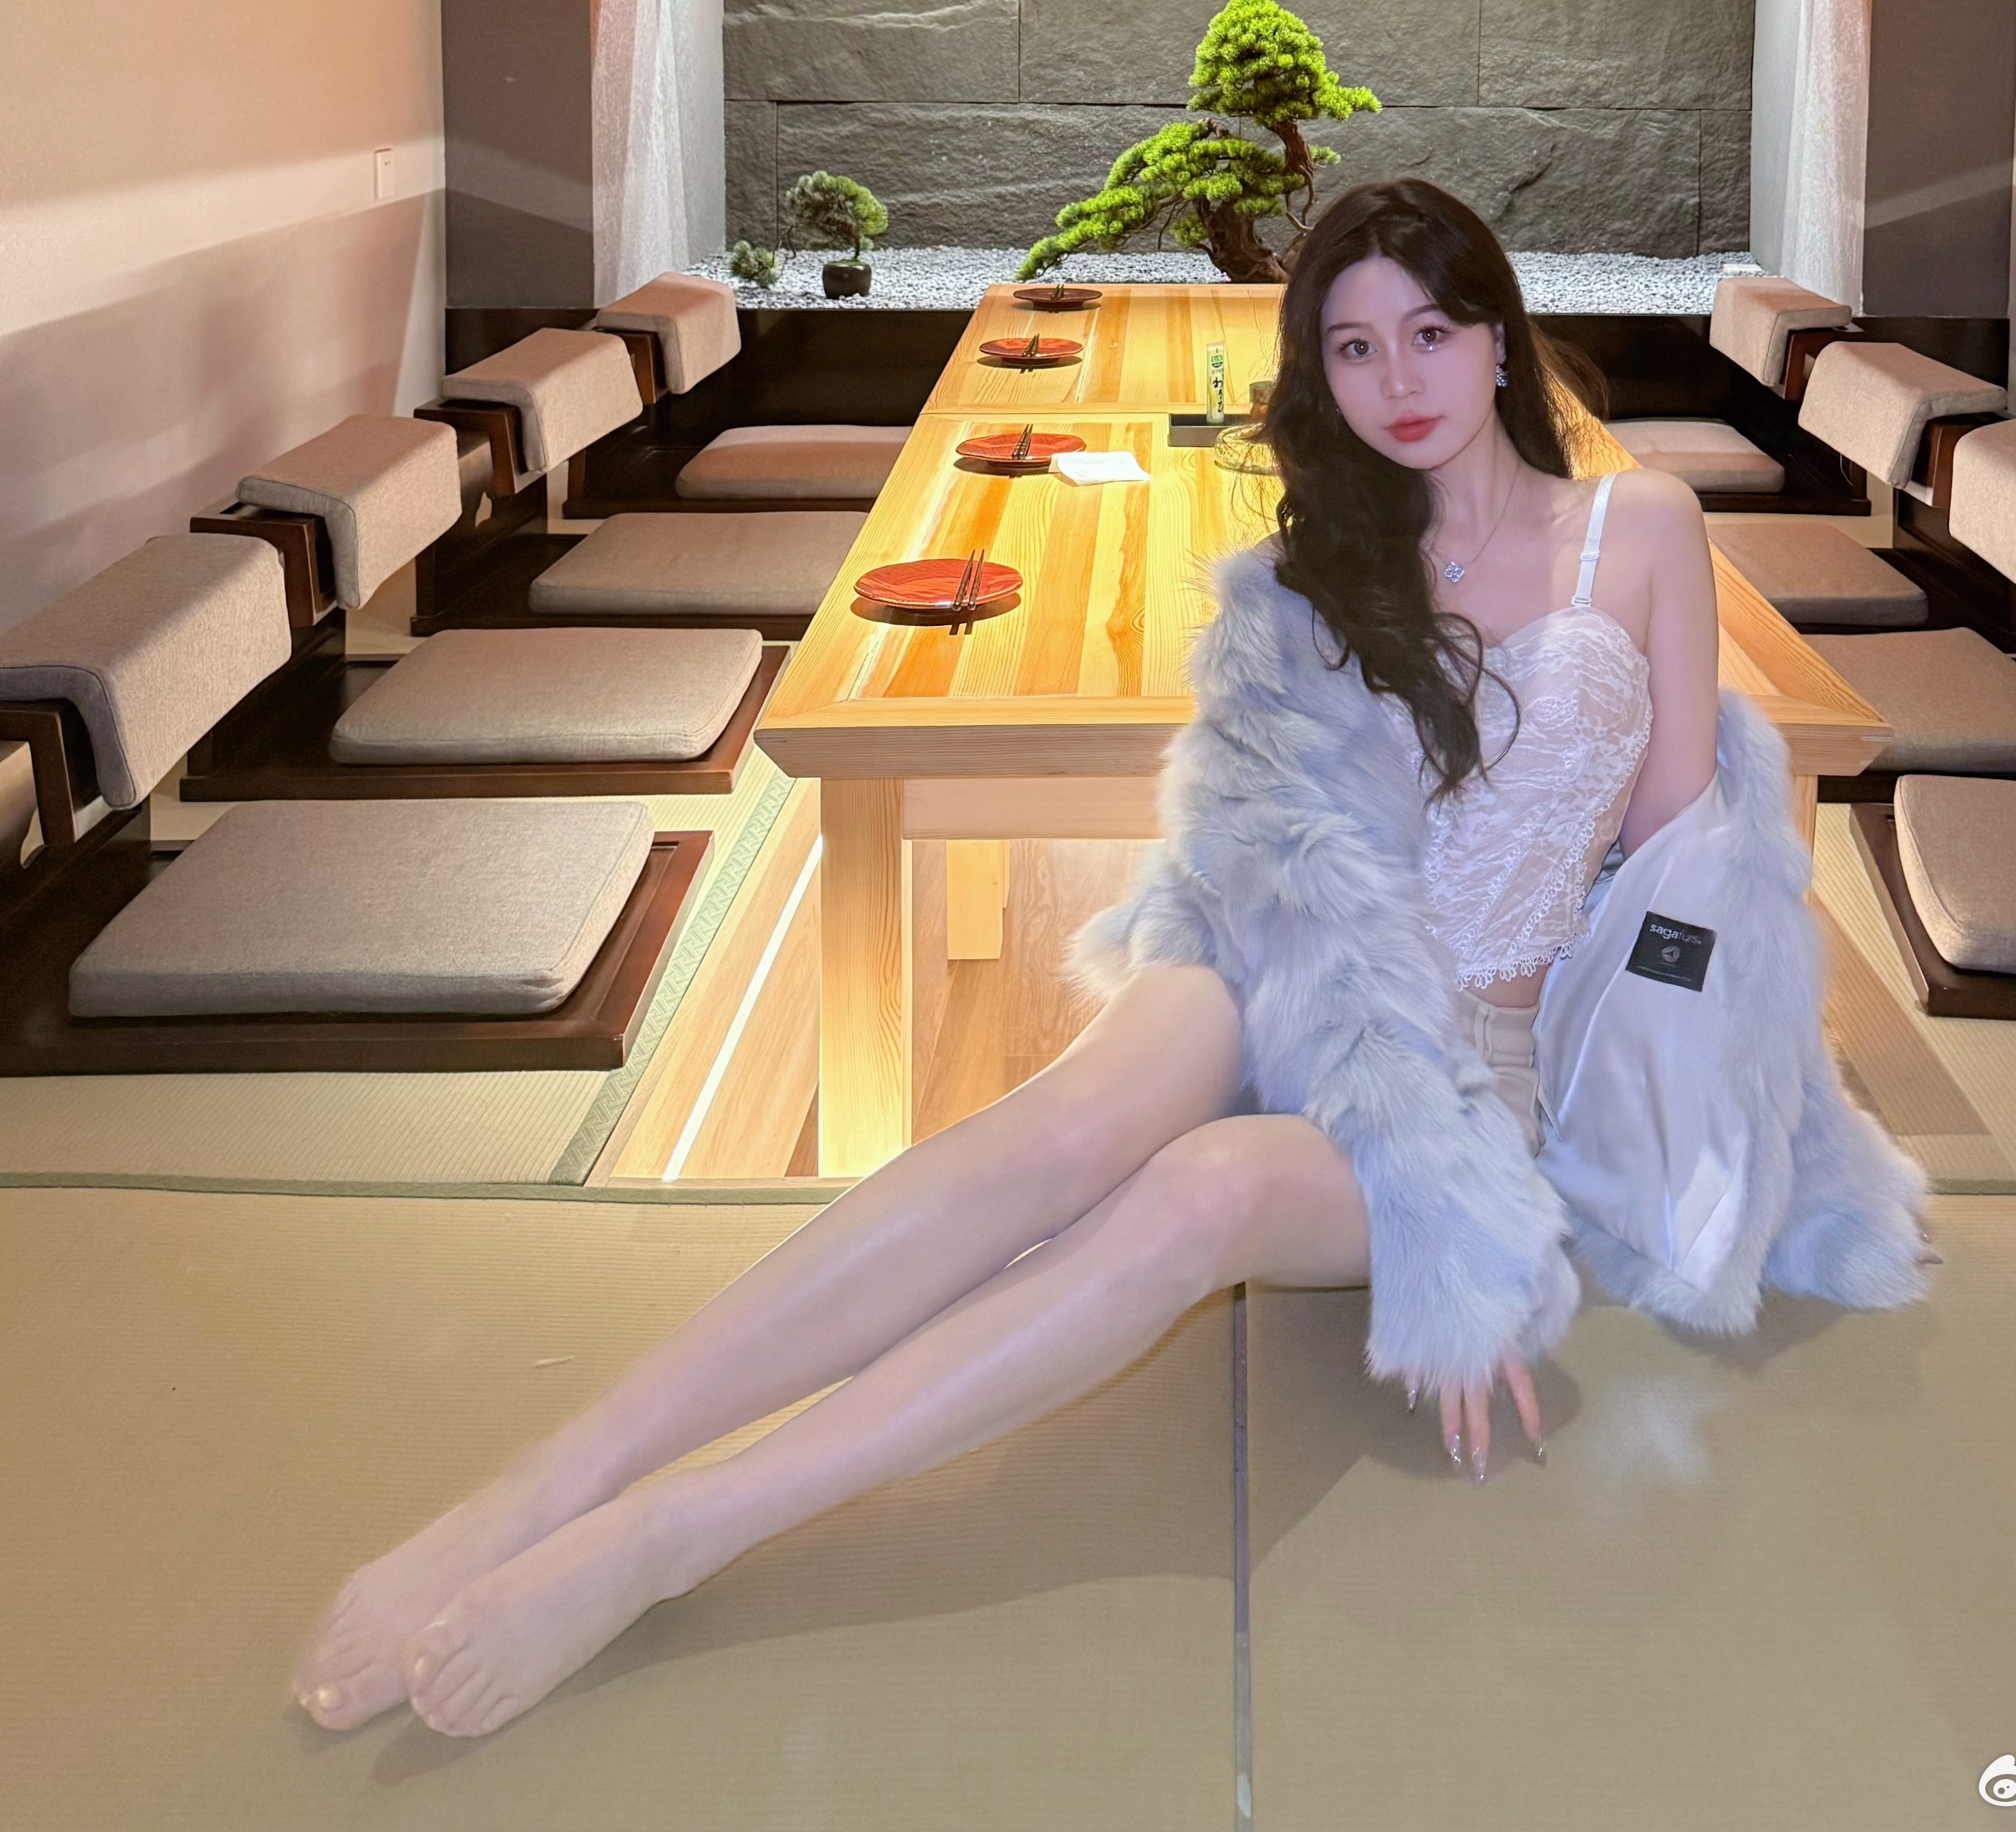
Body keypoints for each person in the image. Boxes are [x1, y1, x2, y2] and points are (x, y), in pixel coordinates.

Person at [296, 177, 1920, 1744]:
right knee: (1067, 1125)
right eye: (1354, 348)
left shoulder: (1640, 528)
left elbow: (1688, 880)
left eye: (1430, 333)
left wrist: (1482, 1226)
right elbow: (1264, 858)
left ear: (1497, 337)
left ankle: (679, 1530)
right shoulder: (1308, 583)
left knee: (1198, 1196)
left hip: (1477, 1076)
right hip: (1292, 972)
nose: (1399, 381)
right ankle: (554, 1480)